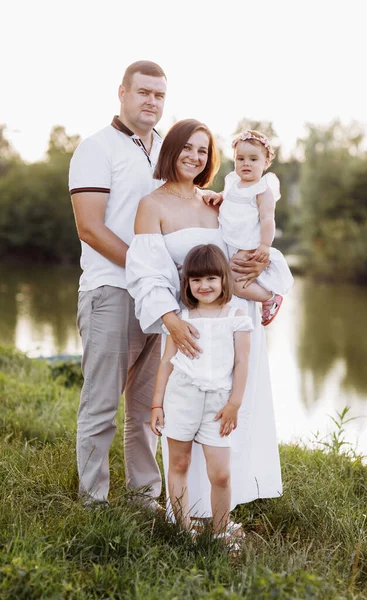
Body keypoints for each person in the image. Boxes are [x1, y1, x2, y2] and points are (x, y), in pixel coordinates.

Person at [126, 118, 282, 525]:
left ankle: (222, 512)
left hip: (233, 322)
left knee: (232, 410)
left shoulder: (217, 203)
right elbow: (147, 274)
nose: (195, 157)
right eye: (187, 148)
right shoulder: (152, 205)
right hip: (186, 326)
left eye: (202, 150)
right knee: (185, 409)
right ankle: (184, 516)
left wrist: (267, 290)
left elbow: (239, 254)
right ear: (171, 151)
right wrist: (172, 322)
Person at [68, 60, 167, 508]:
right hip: (111, 290)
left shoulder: (168, 150)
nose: (151, 101)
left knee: (146, 409)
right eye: (143, 92)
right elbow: (90, 227)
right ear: (122, 93)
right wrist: (145, 270)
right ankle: (94, 503)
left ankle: (145, 497)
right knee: (102, 405)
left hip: (158, 299)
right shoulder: (96, 148)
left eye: (159, 95)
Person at [150, 244, 253, 547]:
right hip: (181, 397)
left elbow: (242, 363)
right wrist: (157, 403)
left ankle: (221, 533)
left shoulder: (237, 315)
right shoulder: (181, 318)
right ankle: (182, 529)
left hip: (219, 404)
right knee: (179, 464)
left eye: (211, 279)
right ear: (187, 283)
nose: (203, 286)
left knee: (220, 473)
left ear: (223, 279)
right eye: (196, 280)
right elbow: (166, 362)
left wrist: (234, 403)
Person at [217, 129, 294, 326]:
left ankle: (269, 297)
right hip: (230, 240)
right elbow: (227, 197)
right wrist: (217, 197)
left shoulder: (262, 189)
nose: (246, 164)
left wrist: (265, 246)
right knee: (228, 275)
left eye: (253, 159)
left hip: (248, 244)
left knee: (236, 284)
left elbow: (268, 219)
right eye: (240, 159)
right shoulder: (233, 182)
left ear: (265, 163)